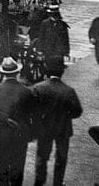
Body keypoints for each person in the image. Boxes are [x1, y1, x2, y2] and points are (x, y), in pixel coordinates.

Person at [31, 57, 82, 186]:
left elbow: (32, 109)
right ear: (62, 73)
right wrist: (66, 116)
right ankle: (58, 182)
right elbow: (77, 111)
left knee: (42, 155)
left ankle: (39, 181)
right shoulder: (69, 91)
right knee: (61, 156)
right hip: (63, 128)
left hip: (44, 128)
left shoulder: (38, 88)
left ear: (47, 72)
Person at [0, 57, 35, 186]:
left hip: (2, 133)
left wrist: (5, 119)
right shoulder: (26, 91)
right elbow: (33, 114)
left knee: (2, 163)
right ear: (17, 72)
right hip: (20, 133)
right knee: (18, 164)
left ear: (3, 73)